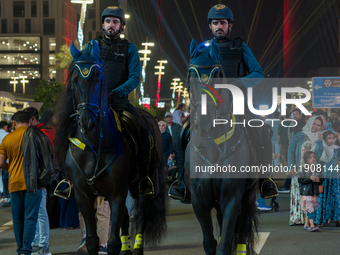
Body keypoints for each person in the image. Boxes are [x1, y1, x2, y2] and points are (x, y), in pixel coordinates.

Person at [169, 4, 276, 200]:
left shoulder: (240, 47)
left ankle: (265, 179)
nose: (219, 26)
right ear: (210, 26)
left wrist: (238, 83)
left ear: (230, 26)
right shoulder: (201, 50)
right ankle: (181, 182)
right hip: (208, 105)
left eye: (223, 23)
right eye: (215, 23)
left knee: (262, 130)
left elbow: (257, 73)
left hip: (237, 104)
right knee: (183, 133)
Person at [84, 6, 153, 196]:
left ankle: (145, 177)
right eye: (108, 21)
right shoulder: (92, 46)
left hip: (119, 102)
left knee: (144, 131)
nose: (111, 25)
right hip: (93, 104)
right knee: (71, 127)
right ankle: (66, 178)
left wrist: (114, 92)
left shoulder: (129, 49)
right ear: (103, 24)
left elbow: (134, 78)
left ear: (122, 26)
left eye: (115, 22)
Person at [0, 111, 43, 255]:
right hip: (34, 183)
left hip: (14, 183)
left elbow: (1, 162)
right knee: (30, 218)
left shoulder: (7, 138)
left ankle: (20, 249)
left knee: (17, 219)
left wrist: (11, 169)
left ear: (14, 123)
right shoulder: (35, 135)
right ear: (29, 121)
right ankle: (26, 250)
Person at [23, 107, 56, 255]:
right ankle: (41, 244)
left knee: (37, 214)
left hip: (36, 181)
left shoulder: (40, 133)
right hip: (39, 180)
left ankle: (40, 244)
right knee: (39, 214)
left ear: (31, 119)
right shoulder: (44, 132)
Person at [287, 116, 323, 225]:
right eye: (314, 123)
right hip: (300, 170)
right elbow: (290, 151)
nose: (315, 127)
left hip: (312, 171)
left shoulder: (320, 138)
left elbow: (320, 154)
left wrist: (321, 141)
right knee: (299, 193)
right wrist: (291, 166)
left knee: (311, 196)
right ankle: (298, 218)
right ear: (310, 122)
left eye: (318, 125)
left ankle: (311, 219)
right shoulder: (299, 135)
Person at [314, 130, 340, 226]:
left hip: (334, 176)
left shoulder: (336, 148)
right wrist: (320, 141)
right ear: (324, 139)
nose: (331, 140)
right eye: (329, 138)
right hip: (324, 175)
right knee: (322, 196)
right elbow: (317, 155)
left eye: (333, 138)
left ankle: (337, 218)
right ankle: (320, 219)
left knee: (335, 197)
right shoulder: (322, 147)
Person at [279, 109, 307, 193]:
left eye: (296, 114)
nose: (295, 116)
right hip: (293, 148)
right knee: (292, 167)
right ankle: (289, 185)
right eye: (293, 114)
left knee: (294, 167)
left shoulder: (303, 124)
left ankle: (288, 186)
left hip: (298, 150)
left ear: (301, 115)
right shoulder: (293, 123)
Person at [298, 151, 323, 232]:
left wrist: (319, 180)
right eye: (310, 157)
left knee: (311, 208)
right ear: (306, 159)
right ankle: (312, 225)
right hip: (307, 193)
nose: (313, 159)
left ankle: (306, 224)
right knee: (310, 208)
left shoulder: (316, 168)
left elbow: (321, 179)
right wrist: (309, 179)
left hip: (314, 192)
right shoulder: (304, 169)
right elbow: (300, 180)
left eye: (314, 157)